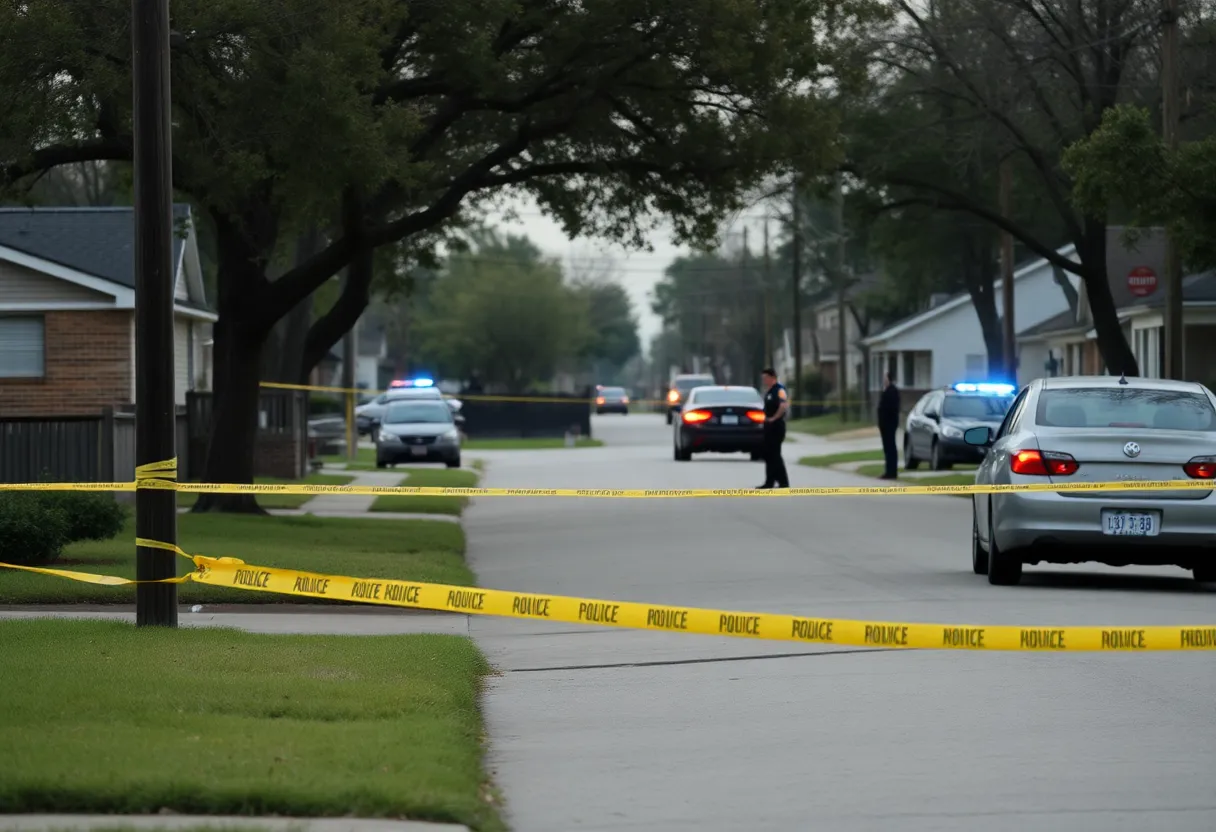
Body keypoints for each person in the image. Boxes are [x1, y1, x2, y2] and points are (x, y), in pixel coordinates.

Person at [757, 368, 790, 489]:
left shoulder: (780, 389)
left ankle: (783, 482)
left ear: (772, 377)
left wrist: (774, 418)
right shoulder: (769, 391)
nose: (764, 381)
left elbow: (783, 405)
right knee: (768, 454)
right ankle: (769, 481)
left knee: (775, 454)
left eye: (765, 378)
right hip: (768, 426)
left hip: (777, 426)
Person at [877, 371, 900, 480]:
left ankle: (891, 472)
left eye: (885, 378)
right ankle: (889, 470)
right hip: (885, 425)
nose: (884, 381)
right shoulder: (887, 391)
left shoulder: (892, 391)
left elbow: (889, 409)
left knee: (890, 448)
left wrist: (885, 421)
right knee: (887, 448)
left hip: (889, 425)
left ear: (889, 379)